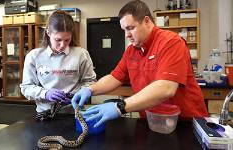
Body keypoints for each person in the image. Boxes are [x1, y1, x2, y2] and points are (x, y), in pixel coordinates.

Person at [72, 0, 208, 128]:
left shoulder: (171, 42)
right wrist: (90, 90)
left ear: (147, 21)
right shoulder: (131, 51)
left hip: (185, 124)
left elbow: (166, 88)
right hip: (153, 122)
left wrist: (119, 107)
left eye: (130, 28)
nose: (126, 35)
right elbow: (115, 77)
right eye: (124, 30)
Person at [20, 10, 96, 121]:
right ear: (48, 33)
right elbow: (26, 88)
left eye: (67, 40)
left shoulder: (81, 54)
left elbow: (90, 82)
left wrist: (75, 96)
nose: (62, 45)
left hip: (74, 112)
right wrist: (45, 93)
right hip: (45, 113)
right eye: (58, 40)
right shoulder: (34, 56)